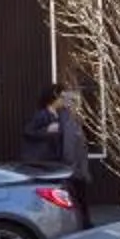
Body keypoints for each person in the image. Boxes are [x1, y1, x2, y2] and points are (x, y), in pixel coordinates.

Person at [21, 82, 91, 223]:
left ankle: (81, 221)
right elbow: (28, 132)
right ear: (54, 98)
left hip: (57, 161)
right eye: (61, 97)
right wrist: (46, 131)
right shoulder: (43, 114)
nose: (64, 100)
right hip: (44, 162)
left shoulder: (60, 115)